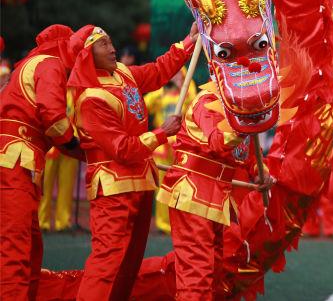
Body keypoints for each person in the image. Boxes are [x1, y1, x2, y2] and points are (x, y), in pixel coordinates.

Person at [69, 24, 195, 300]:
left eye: (111, 42)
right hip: (113, 189)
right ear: (87, 54)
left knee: (130, 263)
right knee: (106, 262)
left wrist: (188, 42)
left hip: (141, 181)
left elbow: (157, 71)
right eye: (104, 45)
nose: (113, 49)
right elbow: (123, 149)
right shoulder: (91, 99)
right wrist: (162, 132)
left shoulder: (123, 74)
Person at [157, 79, 273, 300]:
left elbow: (247, 156)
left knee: (214, 273)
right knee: (197, 276)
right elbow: (218, 142)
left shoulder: (239, 108)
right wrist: (246, 124)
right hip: (193, 194)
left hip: (218, 199)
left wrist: (261, 171)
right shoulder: (208, 101)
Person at [0, 25, 82, 300]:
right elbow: (54, 118)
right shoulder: (50, 64)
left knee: (30, 249)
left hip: (21, 162)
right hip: (14, 163)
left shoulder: (29, 65)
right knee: (17, 251)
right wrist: (80, 147)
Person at [144, 69, 198, 234]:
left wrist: (183, 86)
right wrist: (161, 91)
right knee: (161, 187)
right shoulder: (162, 92)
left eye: (178, 74)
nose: (175, 76)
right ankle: (162, 224)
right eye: (172, 74)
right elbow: (145, 105)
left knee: (182, 187)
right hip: (162, 145)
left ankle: (182, 224)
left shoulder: (189, 89)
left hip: (181, 145)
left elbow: (193, 107)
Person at [38, 148, 79, 232]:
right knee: (44, 187)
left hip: (70, 147)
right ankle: (42, 221)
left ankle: (63, 222)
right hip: (48, 146)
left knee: (66, 189)